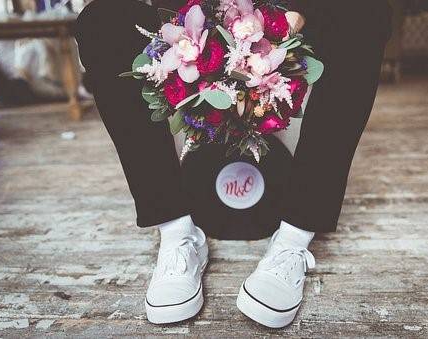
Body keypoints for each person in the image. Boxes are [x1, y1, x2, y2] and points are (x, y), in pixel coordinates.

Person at [75, 0, 391, 328]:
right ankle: (177, 234)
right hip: (187, 13)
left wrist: (294, 13)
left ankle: (293, 242)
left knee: (364, 11)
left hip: (287, 9)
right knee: (102, 20)